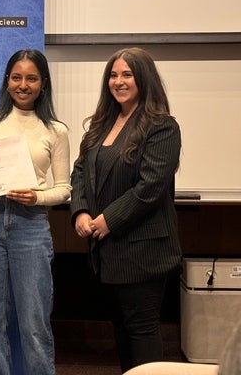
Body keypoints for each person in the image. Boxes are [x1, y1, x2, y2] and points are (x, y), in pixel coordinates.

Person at [70, 47, 182, 373]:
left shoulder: (162, 127)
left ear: (143, 79)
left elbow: (150, 189)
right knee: (120, 331)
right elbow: (80, 172)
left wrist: (107, 220)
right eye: (114, 75)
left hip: (143, 253)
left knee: (142, 332)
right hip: (107, 253)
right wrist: (80, 212)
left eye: (127, 75)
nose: (118, 82)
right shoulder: (101, 125)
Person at [0, 49, 71, 375]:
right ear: (7, 80)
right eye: (16, 77)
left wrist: (37, 198)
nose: (23, 85)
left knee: (34, 320)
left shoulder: (55, 130)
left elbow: (64, 188)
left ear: (43, 84)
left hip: (31, 226)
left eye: (31, 78)